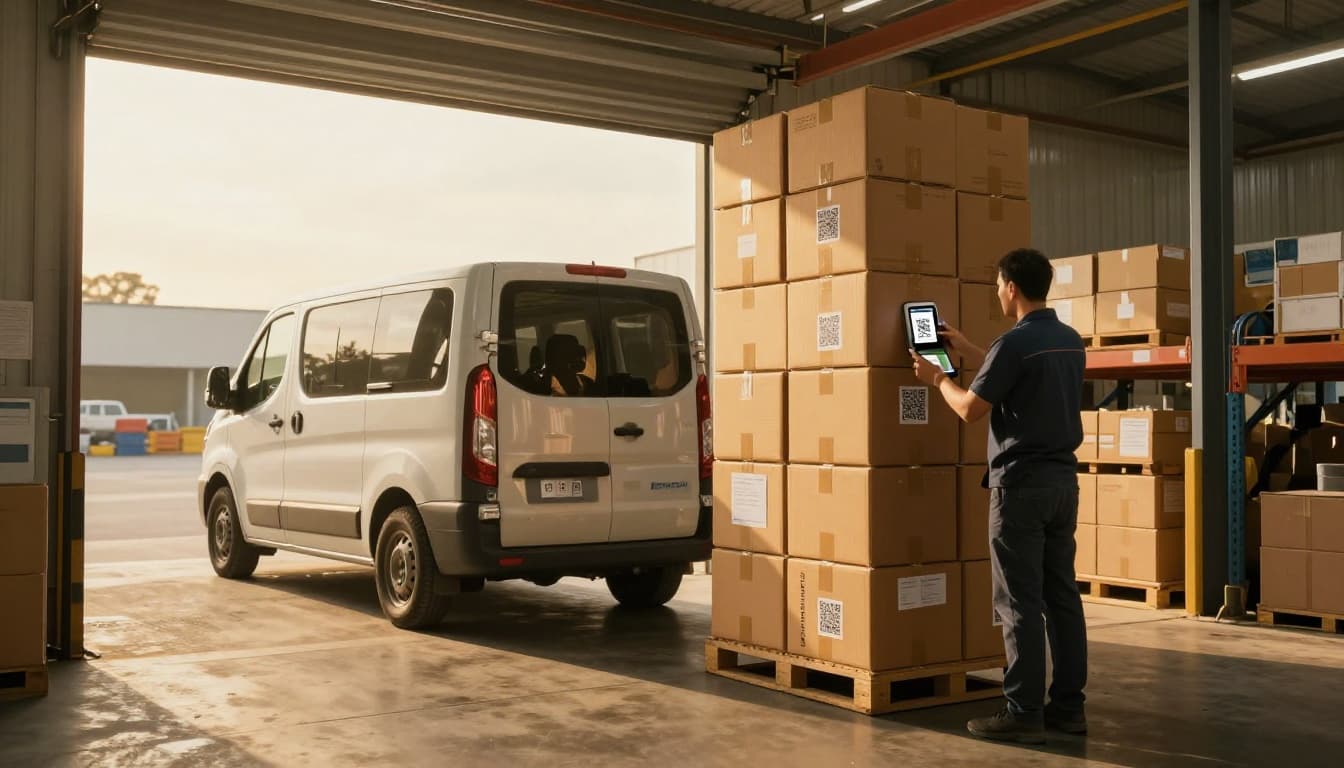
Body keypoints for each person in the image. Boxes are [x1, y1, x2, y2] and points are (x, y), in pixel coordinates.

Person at [909, 248, 1089, 744]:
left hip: (1020, 488)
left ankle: (1023, 710)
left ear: (1010, 286)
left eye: (997, 284)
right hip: (1062, 486)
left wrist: (938, 377)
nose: (997, 292)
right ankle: (1069, 708)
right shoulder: (1069, 341)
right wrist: (967, 346)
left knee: (1018, 603)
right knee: (1062, 598)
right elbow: (1018, 374)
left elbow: (970, 409)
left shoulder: (1013, 345)